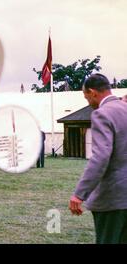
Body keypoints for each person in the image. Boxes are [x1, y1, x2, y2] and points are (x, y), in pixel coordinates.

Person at [69, 73, 127, 244]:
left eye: (86, 97)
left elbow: (101, 157)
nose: (88, 102)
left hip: (113, 200)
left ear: (93, 92)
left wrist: (79, 194)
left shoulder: (102, 114)